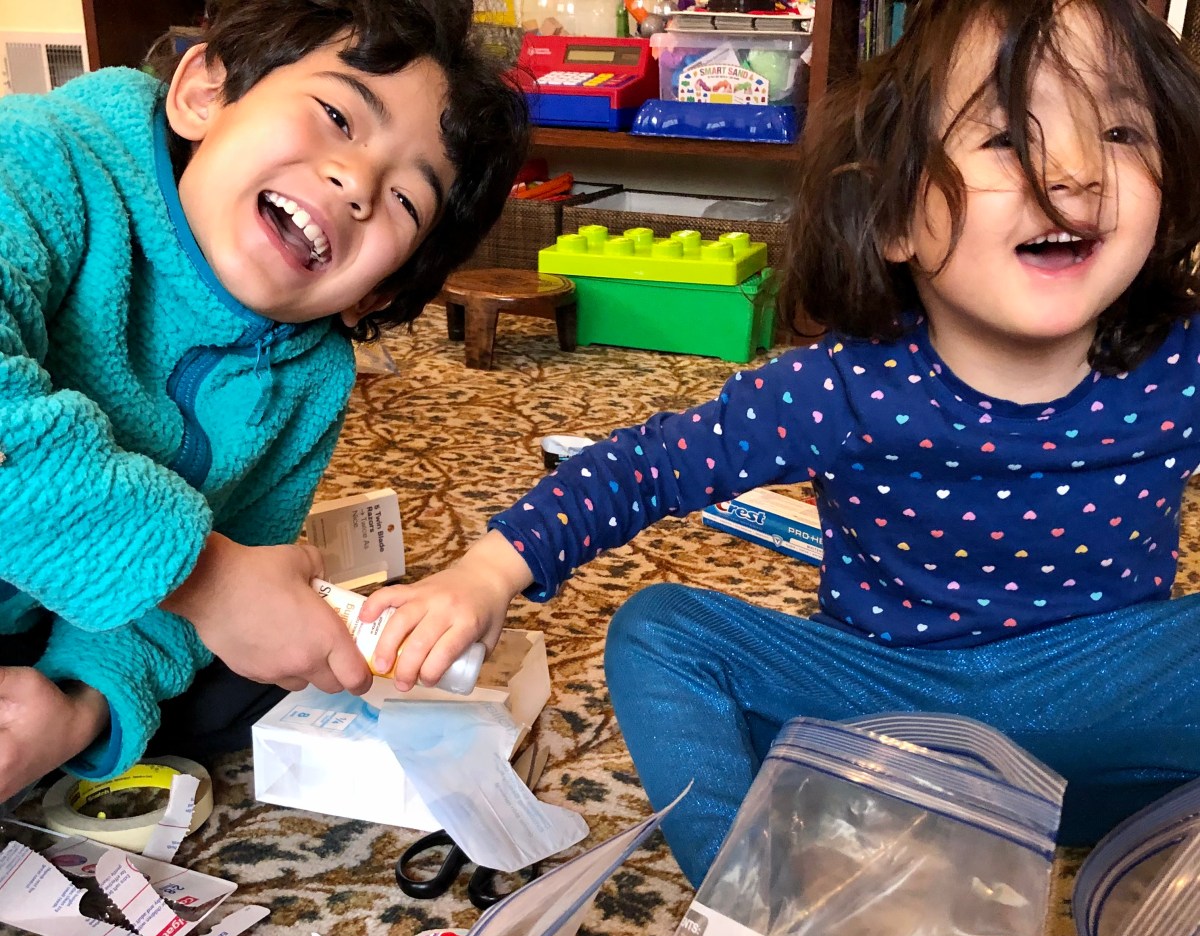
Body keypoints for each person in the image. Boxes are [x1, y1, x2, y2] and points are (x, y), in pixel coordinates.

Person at [361, 0, 1200, 886]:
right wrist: (484, 574)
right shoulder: (839, 385)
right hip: (886, 721)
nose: (1075, 172)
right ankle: (750, 900)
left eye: (1120, 131)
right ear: (892, 217)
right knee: (660, 635)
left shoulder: (1184, 363)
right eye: (1005, 138)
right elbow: (643, 467)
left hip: (1105, 740)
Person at [0, 0, 528, 800]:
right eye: (337, 117)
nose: (357, 183)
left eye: (405, 202)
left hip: (49, 607)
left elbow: (228, 577)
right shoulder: (41, 160)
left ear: (375, 294)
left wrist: (78, 707)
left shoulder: (311, 378)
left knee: (275, 654)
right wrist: (210, 578)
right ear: (205, 91)